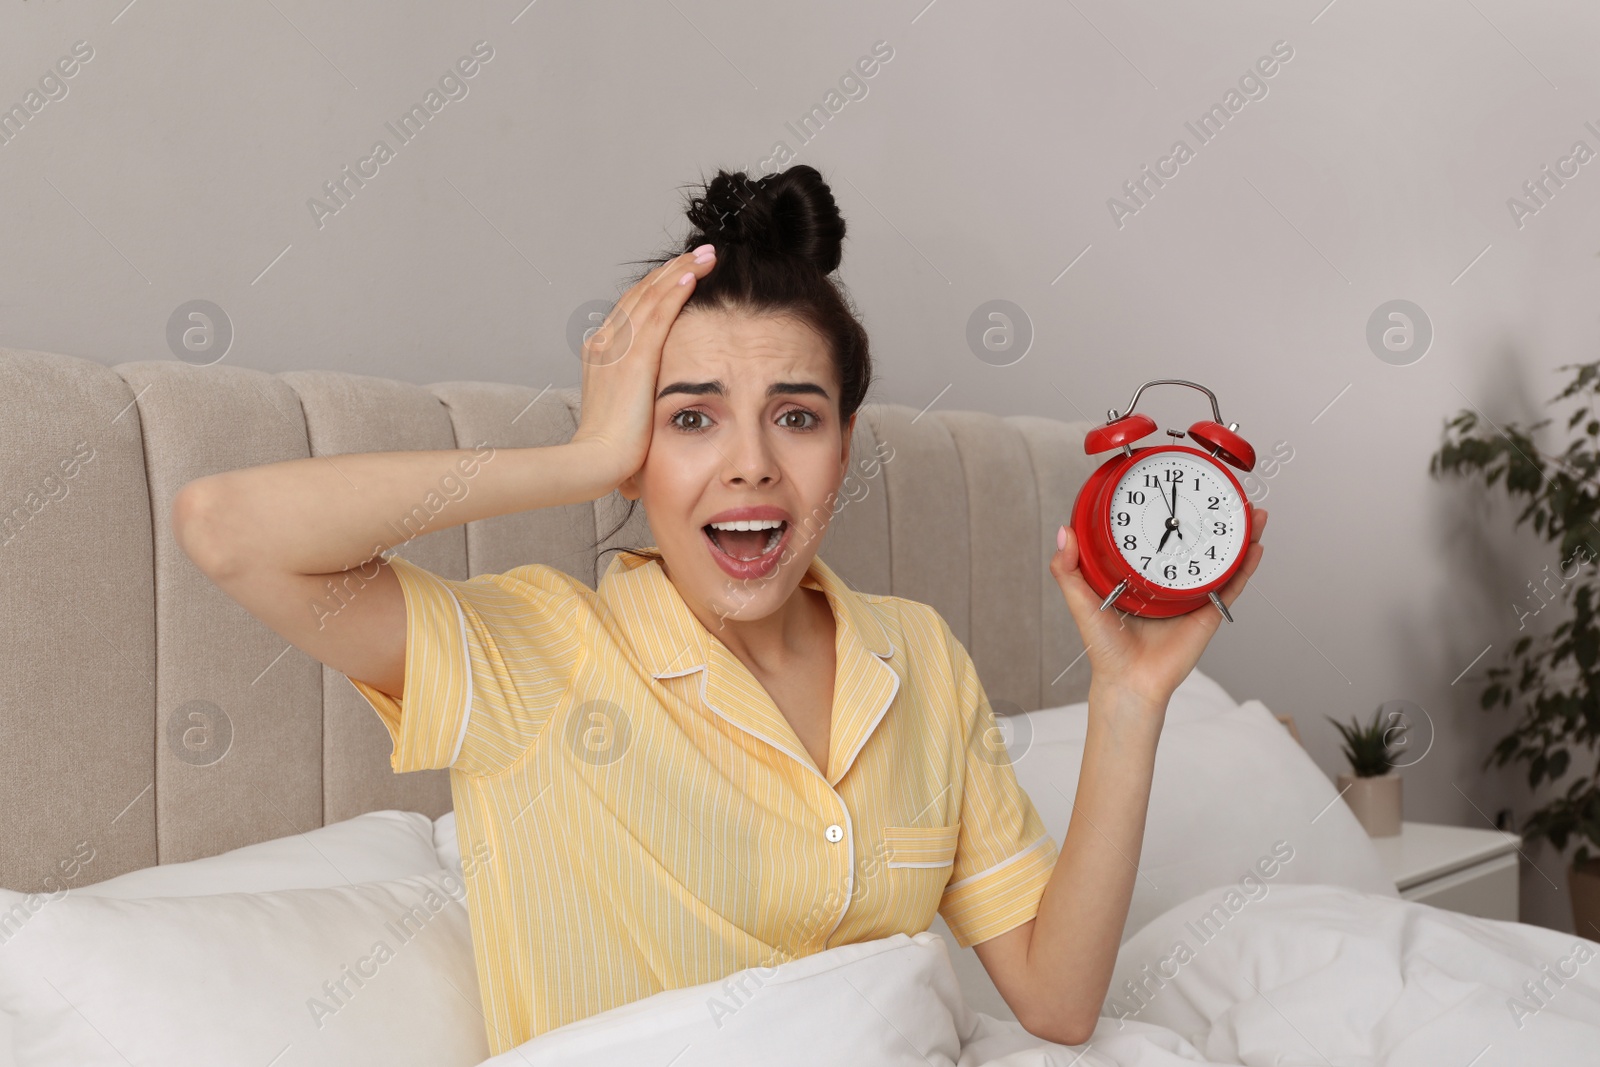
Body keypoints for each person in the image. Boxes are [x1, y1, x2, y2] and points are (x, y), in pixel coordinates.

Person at [172, 164, 1266, 1054]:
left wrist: (1127, 699)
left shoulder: (918, 656)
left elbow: (1058, 1001)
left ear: (843, 445)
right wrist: (581, 455)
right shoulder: (537, 654)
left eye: (795, 415)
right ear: (638, 451)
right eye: (690, 420)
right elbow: (227, 525)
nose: (749, 464)